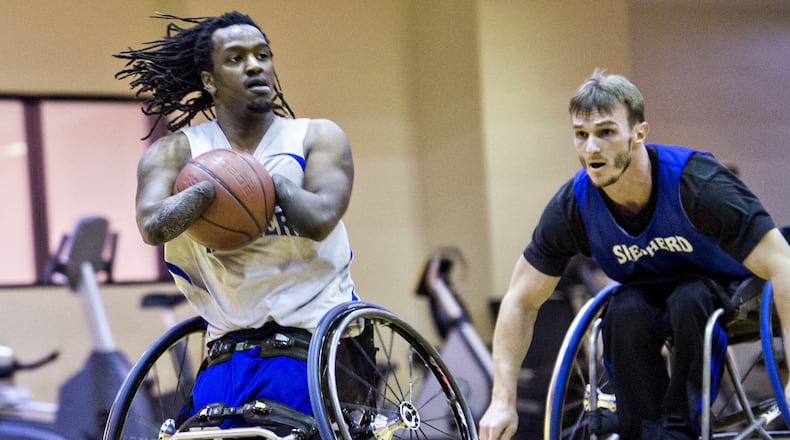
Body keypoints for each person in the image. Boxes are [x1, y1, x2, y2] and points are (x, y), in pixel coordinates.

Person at [478, 69, 790, 439]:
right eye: (581, 135)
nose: (592, 147)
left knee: (688, 300)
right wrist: (501, 400)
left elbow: (782, 264)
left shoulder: (697, 183)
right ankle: (641, 430)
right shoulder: (574, 205)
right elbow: (520, 300)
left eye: (606, 132)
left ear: (639, 133)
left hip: (726, 282)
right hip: (646, 289)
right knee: (624, 312)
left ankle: (679, 427)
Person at [115, 11, 365, 432]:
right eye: (236, 59)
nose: (254, 66)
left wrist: (258, 180)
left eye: (262, 55)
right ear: (209, 80)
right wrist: (208, 189)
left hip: (316, 334)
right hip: (228, 341)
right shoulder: (179, 153)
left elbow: (320, 219)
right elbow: (152, 226)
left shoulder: (315, 137)